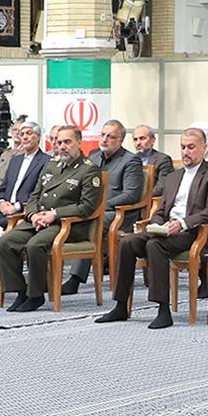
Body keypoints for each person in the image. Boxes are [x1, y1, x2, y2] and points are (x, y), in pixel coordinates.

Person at [102, 127, 208, 329]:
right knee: (126, 242)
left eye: (191, 147)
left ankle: (163, 309)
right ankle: (120, 305)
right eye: (183, 147)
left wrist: (182, 223)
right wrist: (155, 223)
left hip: (194, 232)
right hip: (166, 230)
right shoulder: (174, 176)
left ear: (204, 148)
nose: (186, 152)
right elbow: (162, 209)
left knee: (154, 246)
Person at [0, 125, 103, 312]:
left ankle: (35, 295)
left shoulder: (89, 170)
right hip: (39, 220)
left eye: (67, 142)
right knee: (5, 242)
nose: (62, 146)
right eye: (59, 142)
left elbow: (87, 207)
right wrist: (33, 214)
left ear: (79, 142)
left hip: (67, 224)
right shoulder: (52, 165)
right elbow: (34, 196)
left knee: (34, 246)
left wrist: (54, 214)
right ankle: (20, 291)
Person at [59, 120, 143, 294]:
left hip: (118, 214)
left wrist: (101, 205)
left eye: (110, 137)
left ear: (120, 140)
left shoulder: (131, 161)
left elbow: (131, 195)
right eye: (103, 135)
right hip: (93, 209)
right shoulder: (93, 156)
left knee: (91, 222)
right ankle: (49, 274)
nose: (104, 139)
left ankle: (75, 278)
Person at [0, 122, 47, 230]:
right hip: (3, 208)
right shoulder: (15, 160)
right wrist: (1, 203)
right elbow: (2, 188)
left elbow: (40, 192)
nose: (24, 137)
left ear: (38, 137)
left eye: (29, 133)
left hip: (23, 210)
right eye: (22, 134)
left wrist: (16, 207)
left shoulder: (46, 161)